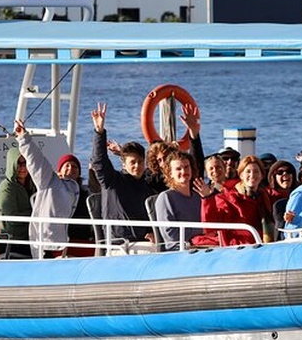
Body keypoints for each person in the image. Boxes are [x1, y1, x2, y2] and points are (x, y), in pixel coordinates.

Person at [14, 119, 83, 258]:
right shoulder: (49, 181)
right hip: (45, 243)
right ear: (59, 171)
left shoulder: (78, 190)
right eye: (67, 166)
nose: (70, 169)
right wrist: (23, 138)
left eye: (74, 166)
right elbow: (36, 161)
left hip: (64, 243)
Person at [90, 102, 153, 243]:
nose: (137, 166)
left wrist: (151, 233)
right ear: (123, 164)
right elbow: (99, 162)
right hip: (118, 243)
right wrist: (99, 132)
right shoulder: (112, 181)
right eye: (132, 162)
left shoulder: (146, 185)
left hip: (144, 242)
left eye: (140, 162)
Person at [193, 155, 272, 246]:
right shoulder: (228, 198)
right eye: (248, 172)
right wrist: (207, 198)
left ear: (262, 175)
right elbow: (210, 226)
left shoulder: (265, 197)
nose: (252, 175)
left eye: (256, 172)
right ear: (241, 175)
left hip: (262, 246)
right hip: (237, 248)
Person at [154, 150, 212, 251]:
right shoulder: (166, 198)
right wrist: (202, 231)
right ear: (170, 173)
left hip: (206, 246)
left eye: (186, 167)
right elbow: (171, 236)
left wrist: (208, 198)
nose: (183, 172)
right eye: (178, 169)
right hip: (182, 250)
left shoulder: (199, 196)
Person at [0, 148, 36, 257]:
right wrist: (35, 214)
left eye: (26, 163)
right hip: (12, 242)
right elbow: (11, 218)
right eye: (19, 163)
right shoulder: (6, 187)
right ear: (12, 164)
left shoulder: (32, 184)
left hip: (31, 237)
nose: (23, 167)